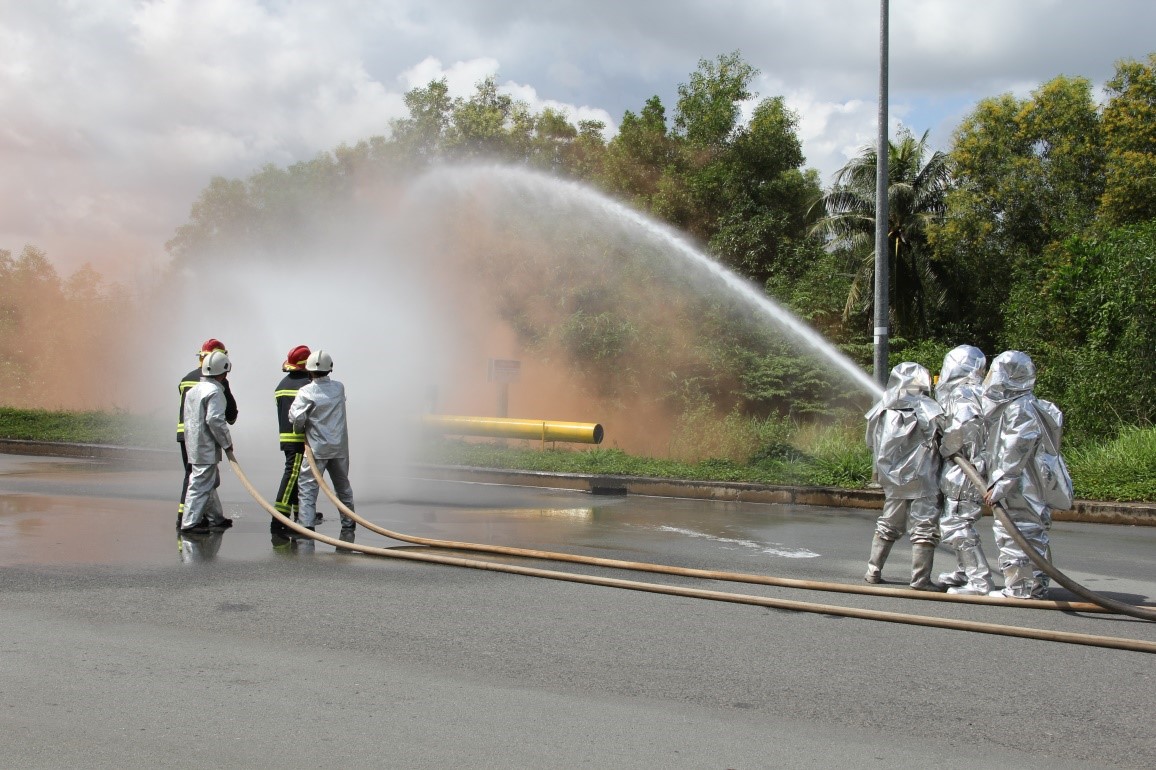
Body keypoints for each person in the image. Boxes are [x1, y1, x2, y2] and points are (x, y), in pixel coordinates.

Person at [981, 350, 1061, 599]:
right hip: (1028, 483)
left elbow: (1015, 448)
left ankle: (1020, 588)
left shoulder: (1019, 409)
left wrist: (1001, 483)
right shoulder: (1029, 404)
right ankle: (1035, 586)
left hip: (1020, 486)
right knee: (1032, 532)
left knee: (1015, 533)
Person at [863, 362, 945, 590]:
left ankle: (873, 571)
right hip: (924, 478)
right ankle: (920, 580)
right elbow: (948, 439)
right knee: (924, 528)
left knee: (888, 523)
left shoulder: (882, 407)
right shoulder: (928, 407)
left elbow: (870, 441)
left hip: (892, 479)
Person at [934, 345, 996, 596]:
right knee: (960, 521)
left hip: (965, 470)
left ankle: (979, 581)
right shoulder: (982, 391)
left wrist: (946, 446)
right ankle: (964, 571)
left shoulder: (962, 393)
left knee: (956, 524)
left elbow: (963, 426)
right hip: (974, 467)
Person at [288, 349, 356, 534]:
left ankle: (306, 525)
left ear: (309, 370)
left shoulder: (306, 392)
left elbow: (296, 417)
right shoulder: (339, 388)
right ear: (330, 368)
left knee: (308, 488)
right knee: (343, 487)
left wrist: (300, 429)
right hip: (339, 448)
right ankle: (349, 522)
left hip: (316, 449)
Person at [177, 338, 237, 528]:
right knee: (200, 483)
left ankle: (215, 518)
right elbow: (215, 420)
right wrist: (227, 442)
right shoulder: (215, 391)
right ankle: (190, 523)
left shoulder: (194, 389)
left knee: (209, 481)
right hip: (206, 445)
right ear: (223, 371)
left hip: (193, 442)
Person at [271, 344, 314, 536]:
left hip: (286, 437)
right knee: (292, 476)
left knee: (296, 477)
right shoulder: (306, 386)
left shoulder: (282, 384)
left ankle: (299, 513)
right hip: (298, 438)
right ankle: (279, 518)